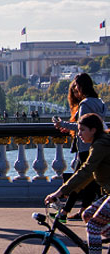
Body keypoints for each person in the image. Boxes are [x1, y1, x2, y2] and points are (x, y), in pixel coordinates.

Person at [46, 112, 110, 254]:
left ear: (93, 130)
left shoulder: (100, 145)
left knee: (93, 225)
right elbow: (87, 177)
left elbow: (86, 171)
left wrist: (60, 192)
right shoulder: (100, 142)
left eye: (82, 130)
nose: (78, 133)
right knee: (87, 215)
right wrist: (67, 191)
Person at [55, 73, 107, 219]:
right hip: (94, 143)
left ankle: (65, 211)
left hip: (86, 147)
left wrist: (62, 124)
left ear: (82, 86)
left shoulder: (85, 104)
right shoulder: (99, 102)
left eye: (76, 87)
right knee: (89, 180)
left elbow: (82, 125)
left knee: (80, 178)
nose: (75, 90)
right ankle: (83, 210)